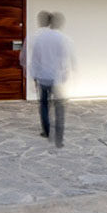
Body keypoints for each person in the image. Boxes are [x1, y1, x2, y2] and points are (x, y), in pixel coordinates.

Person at [30, 11, 75, 148]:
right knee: (58, 105)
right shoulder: (63, 38)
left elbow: (35, 59)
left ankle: (47, 131)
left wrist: (34, 75)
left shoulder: (40, 38)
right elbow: (64, 58)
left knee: (44, 104)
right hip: (56, 78)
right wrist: (66, 73)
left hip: (43, 77)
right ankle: (58, 134)